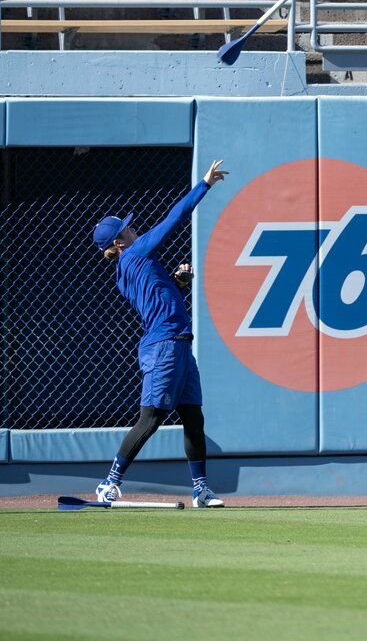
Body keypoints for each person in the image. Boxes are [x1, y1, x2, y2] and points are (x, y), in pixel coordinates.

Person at [90, 158, 229, 508]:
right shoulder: (135, 253)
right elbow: (173, 219)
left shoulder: (130, 266)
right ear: (120, 241)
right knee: (150, 419)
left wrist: (179, 282)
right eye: (127, 229)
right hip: (164, 346)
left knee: (193, 418)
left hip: (177, 344)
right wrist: (204, 184)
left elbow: (162, 300)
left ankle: (200, 490)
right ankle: (109, 482)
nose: (133, 229)